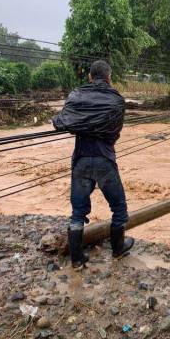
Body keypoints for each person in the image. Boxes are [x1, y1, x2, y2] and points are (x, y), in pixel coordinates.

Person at [61, 60, 134, 269]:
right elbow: (114, 132)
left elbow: (65, 121)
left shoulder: (76, 96)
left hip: (81, 160)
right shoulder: (116, 100)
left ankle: (76, 260)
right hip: (104, 160)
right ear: (109, 77)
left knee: (77, 213)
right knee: (119, 208)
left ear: (90, 77)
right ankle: (118, 249)